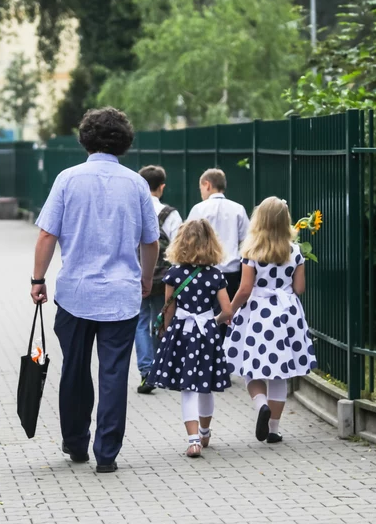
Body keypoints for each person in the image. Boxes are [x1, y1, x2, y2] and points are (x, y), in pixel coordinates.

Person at [31, 107, 160, 474]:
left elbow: (46, 234)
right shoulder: (136, 183)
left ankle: (75, 443)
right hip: (122, 294)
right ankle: (107, 452)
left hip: (75, 293)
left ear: (85, 138)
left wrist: (37, 279)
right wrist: (146, 279)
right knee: (115, 373)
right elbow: (150, 242)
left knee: (74, 369)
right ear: (124, 141)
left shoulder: (68, 179)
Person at [217, 197, 316, 444]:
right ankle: (273, 430)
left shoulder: (251, 252)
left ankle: (260, 404)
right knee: (279, 373)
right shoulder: (295, 252)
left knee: (251, 366)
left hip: (258, 315)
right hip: (286, 314)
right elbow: (300, 288)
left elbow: (245, 289)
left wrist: (228, 311)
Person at [149, 220, 232, 457]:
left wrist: (166, 332)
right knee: (205, 386)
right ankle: (205, 432)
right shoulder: (215, 275)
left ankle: (193, 440)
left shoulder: (173, 274)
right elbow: (227, 311)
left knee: (188, 388)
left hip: (182, 335)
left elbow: (168, 309)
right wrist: (212, 321)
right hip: (206, 335)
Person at [134, 165, 183, 394]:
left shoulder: (133, 209)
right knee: (162, 321)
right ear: (161, 187)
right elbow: (180, 245)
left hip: (137, 275)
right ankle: (162, 370)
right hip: (164, 278)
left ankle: (146, 371)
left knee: (141, 323)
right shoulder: (170, 214)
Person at [186, 168, 249, 337]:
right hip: (232, 274)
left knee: (205, 318)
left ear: (207, 185)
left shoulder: (199, 209)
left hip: (204, 272)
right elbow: (246, 242)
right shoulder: (239, 209)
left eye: (201, 188)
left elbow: (189, 241)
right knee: (229, 317)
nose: (201, 192)